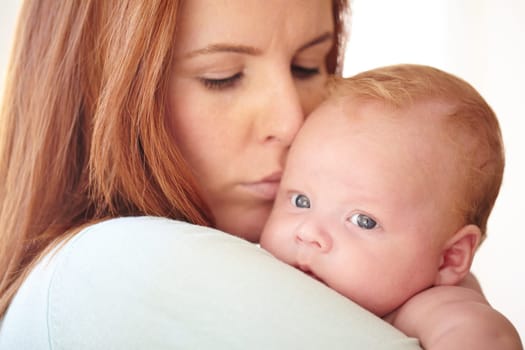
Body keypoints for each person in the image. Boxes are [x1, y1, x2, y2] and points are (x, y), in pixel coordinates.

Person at [0, 1, 426, 349]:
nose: (293, 122)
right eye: (221, 77)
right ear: (97, 88)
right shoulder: (122, 261)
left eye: (307, 66)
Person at [260, 64, 523, 349]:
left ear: (448, 258)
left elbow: (485, 337)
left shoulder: (430, 308)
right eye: (301, 200)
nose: (308, 232)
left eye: (363, 220)